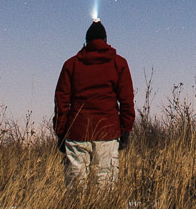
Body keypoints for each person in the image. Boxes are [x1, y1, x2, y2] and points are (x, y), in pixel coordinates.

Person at [53, 19, 135, 184]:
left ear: (86, 41)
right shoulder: (119, 63)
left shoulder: (71, 65)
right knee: (104, 185)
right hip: (108, 132)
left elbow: (61, 103)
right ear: (105, 41)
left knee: (76, 187)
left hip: (77, 132)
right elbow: (127, 101)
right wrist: (125, 130)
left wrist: (61, 132)